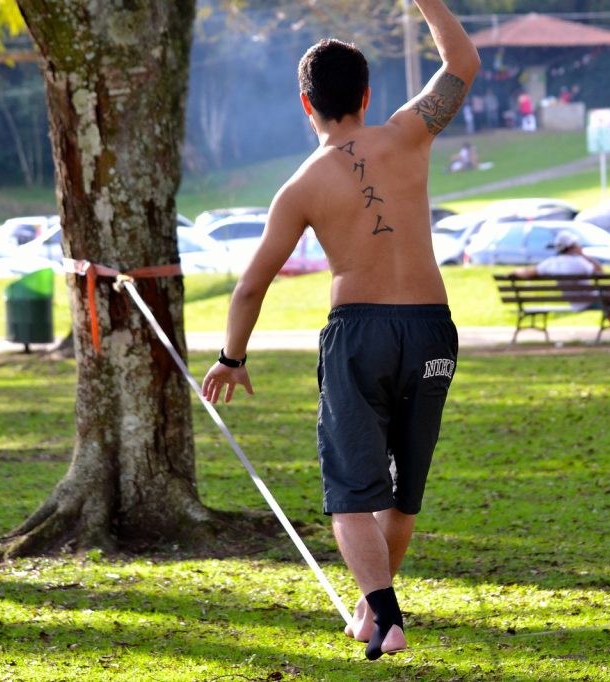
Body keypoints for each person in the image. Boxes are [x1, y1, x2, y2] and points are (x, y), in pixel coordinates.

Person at [200, 0, 478, 661]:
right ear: (366, 95)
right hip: (433, 330)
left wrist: (231, 357)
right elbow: (462, 62)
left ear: (306, 105)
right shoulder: (410, 133)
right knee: (402, 492)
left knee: (352, 493)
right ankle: (367, 612)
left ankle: (387, 619)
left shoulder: (301, 186)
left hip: (360, 335)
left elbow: (251, 284)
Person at [512, 230, 610, 343]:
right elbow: (600, 271)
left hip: (575, 301)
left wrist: (515, 272)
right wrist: (583, 254)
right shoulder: (580, 262)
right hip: (592, 300)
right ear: (573, 246)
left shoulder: (550, 263)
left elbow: (529, 272)